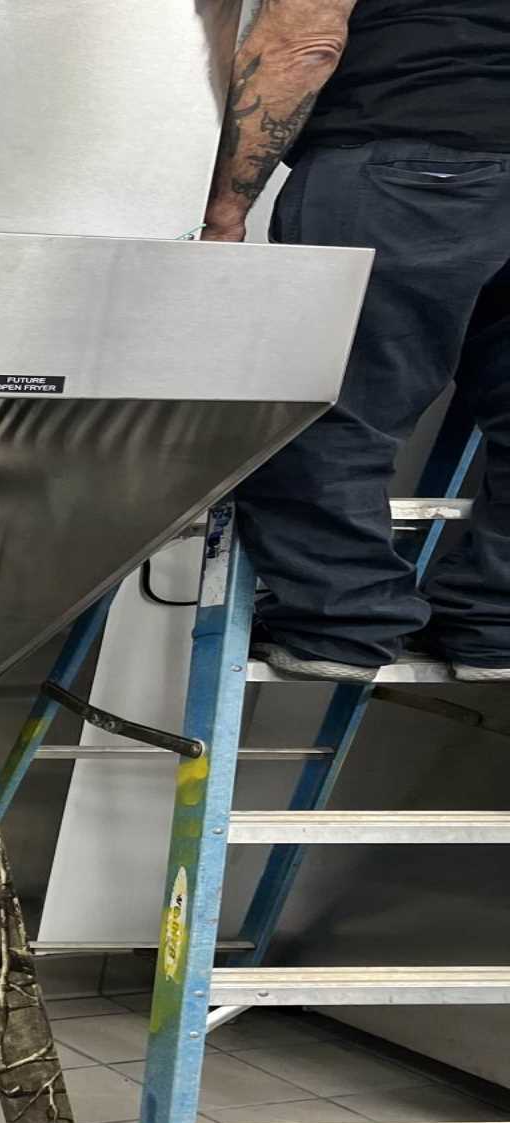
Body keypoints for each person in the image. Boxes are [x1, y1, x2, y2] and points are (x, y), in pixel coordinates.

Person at [202, 0, 510, 681]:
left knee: (331, 405)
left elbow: (303, 40)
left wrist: (225, 214)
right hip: (442, 166)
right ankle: (498, 626)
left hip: (408, 164)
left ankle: (341, 624)